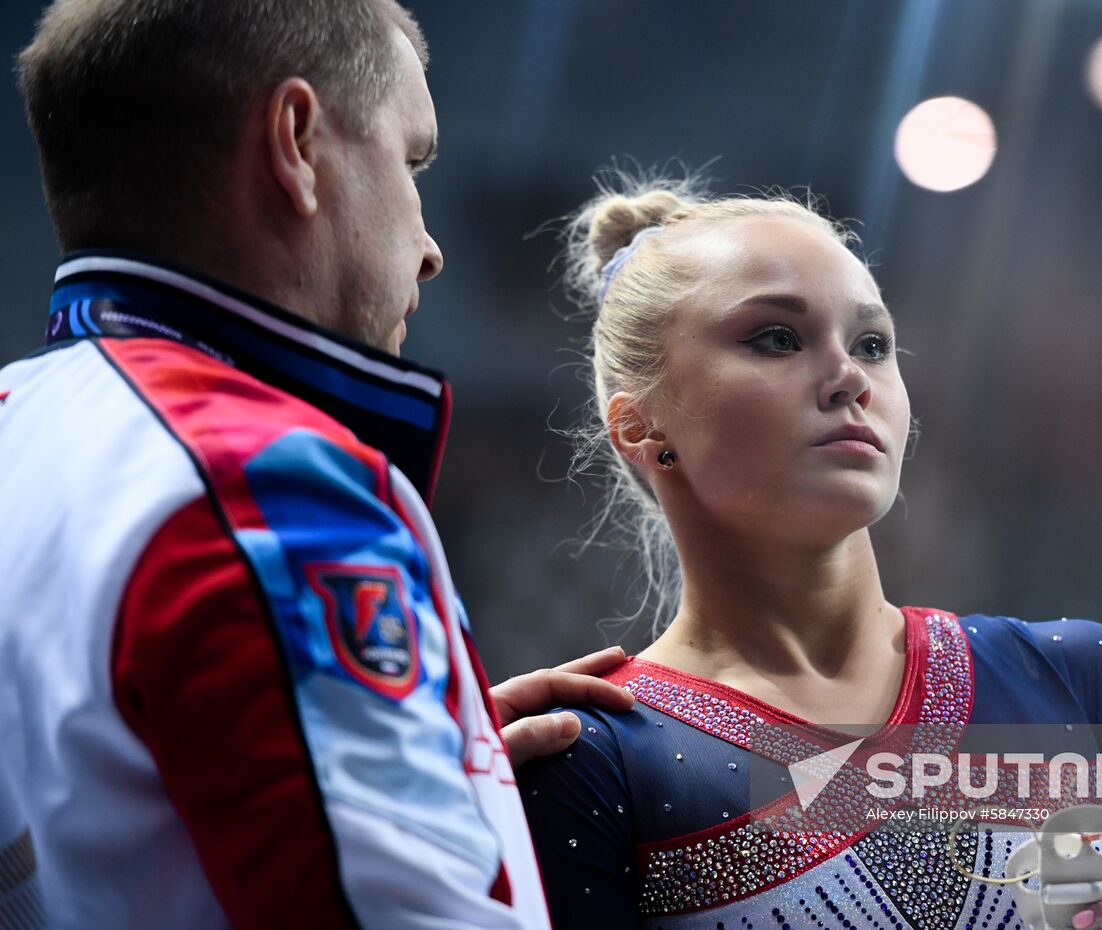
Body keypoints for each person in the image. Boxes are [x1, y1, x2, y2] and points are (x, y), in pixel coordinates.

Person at [517, 177, 1102, 930]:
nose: (848, 378)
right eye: (777, 338)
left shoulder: (1087, 683)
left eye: (872, 344)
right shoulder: (590, 757)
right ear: (641, 425)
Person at [0, 1, 632, 927]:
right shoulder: (258, 481)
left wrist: (412, 755)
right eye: (410, 162)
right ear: (295, 143)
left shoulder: (27, 419)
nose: (431, 250)